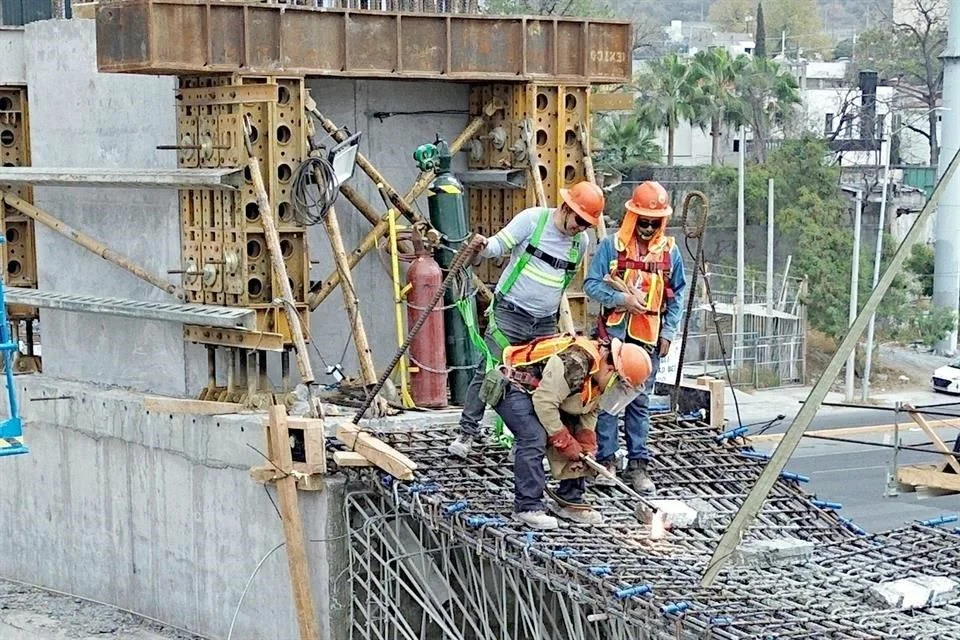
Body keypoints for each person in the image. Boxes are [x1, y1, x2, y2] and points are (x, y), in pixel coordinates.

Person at [448, 181, 605, 458]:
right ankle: (467, 431)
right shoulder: (533, 221)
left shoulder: (580, 243)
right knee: (489, 370)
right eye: (579, 220)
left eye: (586, 224)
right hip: (510, 313)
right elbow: (498, 246)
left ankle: (524, 440)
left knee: (535, 380)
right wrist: (483, 245)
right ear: (566, 208)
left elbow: (562, 279)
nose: (580, 227)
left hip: (543, 322)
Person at [583, 181, 686, 495]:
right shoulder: (611, 248)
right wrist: (621, 301)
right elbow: (591, 284)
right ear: (632, 217)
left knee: (639, 403)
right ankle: (606, 461)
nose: (648, 227)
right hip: (614, 338)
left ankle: (639, 465)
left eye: (654, 223)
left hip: (648, 341)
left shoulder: (670, 253)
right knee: (608, 402)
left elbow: (677, 294)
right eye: (643, 221)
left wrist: (668, 332)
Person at [488, 334, 652, 529]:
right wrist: (563, 440)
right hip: (514, 386)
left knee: (577, 440)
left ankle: (570, 499)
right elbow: (544, 402)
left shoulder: (602, 378)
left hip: (544, 396)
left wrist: (586, 441)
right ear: (611, 369)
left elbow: (589, 409)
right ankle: (527, 506)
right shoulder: (576, 363)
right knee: (534, 437)